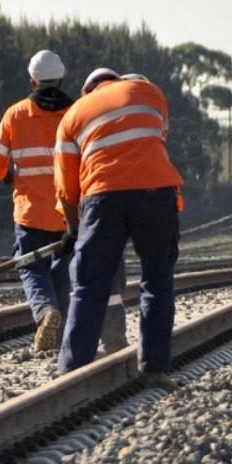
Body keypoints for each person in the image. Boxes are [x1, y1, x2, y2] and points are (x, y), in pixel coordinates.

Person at [54, 67, 184, 374]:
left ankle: (71, 370)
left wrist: (74, 229)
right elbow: (157, 138)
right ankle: (155, 368)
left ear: (88, 91)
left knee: (88, 286)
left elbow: (66, 189)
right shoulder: (150, 93)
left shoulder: (73, 115)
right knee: (157, 281)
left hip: (102, 198)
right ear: (118, 82)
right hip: (156, 193)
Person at [0, 50, 75, 351]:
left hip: (31, 213)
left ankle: (45, 311)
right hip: (69, 213)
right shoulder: (76, 113)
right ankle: (61, 336)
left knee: (30, 267)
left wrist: (4, 175)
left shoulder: (17, 114)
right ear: (60, 78)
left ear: (33, 80)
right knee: (63, 269)